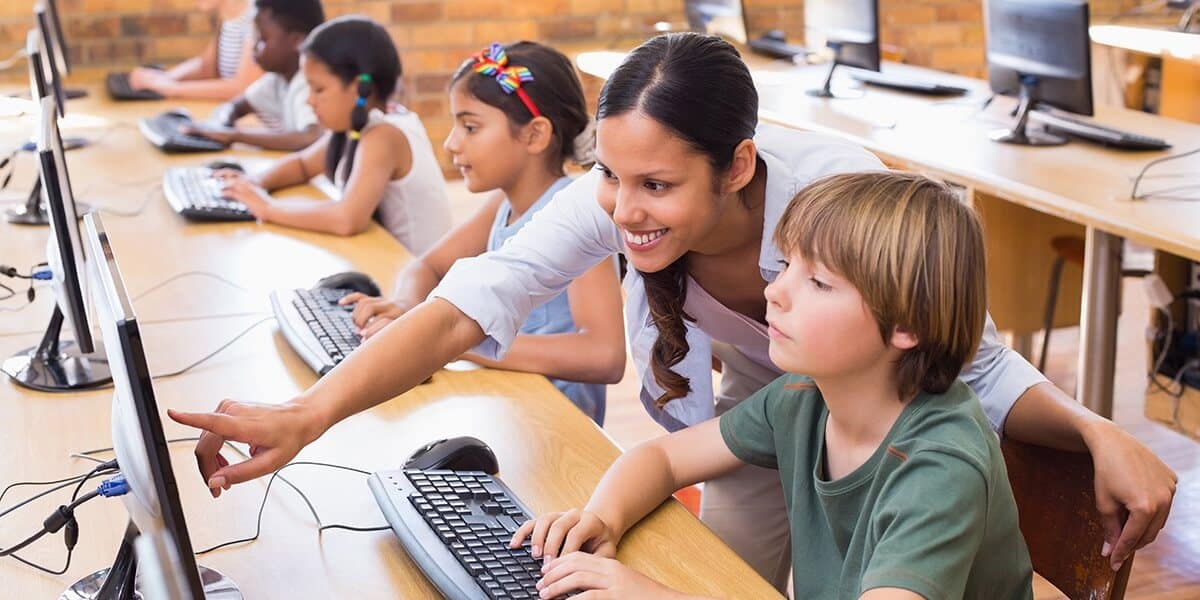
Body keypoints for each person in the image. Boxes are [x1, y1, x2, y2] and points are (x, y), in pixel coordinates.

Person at [170, 33, 1175, 589]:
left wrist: (1092, 431)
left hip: (879, 435)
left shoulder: (839, 208)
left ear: (739, 167)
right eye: (610, 176)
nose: (621, 209)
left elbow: (972, 360)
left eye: (655, 186)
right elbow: (469, 306)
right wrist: (307, 419)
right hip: (784, 428)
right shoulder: (780, 390)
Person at [516, 171, 1034, 599]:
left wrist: (651, 594)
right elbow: (665, 460)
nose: (776, 291)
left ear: (907, 326)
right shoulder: (806, 394)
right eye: (787, 265)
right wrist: (601, 519)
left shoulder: (940, 465)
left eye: (819, 282)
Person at [341, 41, 624, 423]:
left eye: (470, 126)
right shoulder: (503, 204)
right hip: (506, 404)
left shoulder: (575, 215)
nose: (451, 143)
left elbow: (603, 355)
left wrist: (454, 343)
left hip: (556, 427)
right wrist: (408, 309)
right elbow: (428, 267)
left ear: (535, 135)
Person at [216, 16, 451, 253]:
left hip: (418, 278)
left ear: (359, 88)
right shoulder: (357, 123)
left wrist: (267, 208)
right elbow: (303, 165)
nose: (309, 99)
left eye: (318, 89)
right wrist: (254, 182)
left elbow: (347, 219)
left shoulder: (384, 135)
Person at [183, 0, 326, 151]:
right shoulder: (277, 80)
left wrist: (235, 135)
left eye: (262, 39)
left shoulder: (308, 83)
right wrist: (221, 124)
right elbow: (234, 106)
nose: (254, 47)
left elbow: (311, 138)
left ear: (296, 40)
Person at [128, 0, 262, 101]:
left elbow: (240, 89)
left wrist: (170, 88)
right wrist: (167, 77)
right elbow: (206, 66)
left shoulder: (258, 19)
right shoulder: (229, 18)